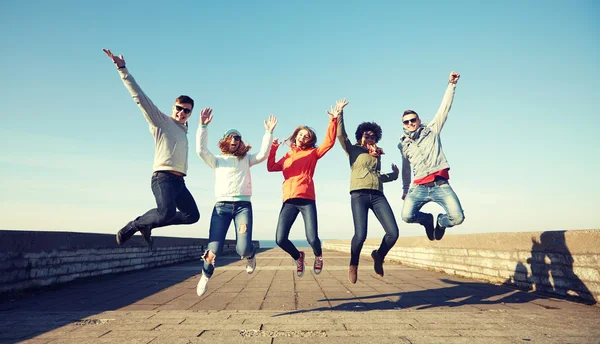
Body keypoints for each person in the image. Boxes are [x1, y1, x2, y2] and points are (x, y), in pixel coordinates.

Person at [103, 48, 201, 248]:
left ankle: (148, 225)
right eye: (179, 108)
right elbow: (140, 98)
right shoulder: (161, 121)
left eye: (186, 111)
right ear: (173, 107)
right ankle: (133, 226)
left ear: (190, 113)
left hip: (179, 182)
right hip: (162, 178)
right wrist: (123, 70)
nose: (182, 113)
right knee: (166, 212)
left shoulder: (183, 130)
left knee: (192, 216)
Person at [195, 109, 278, 296]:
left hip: (242, 207)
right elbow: (200, 150)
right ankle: (205, 275)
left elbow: (263, 154)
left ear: (240, 143)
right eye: (231, 137)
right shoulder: (217, 160)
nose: (234, 140)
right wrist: (203, 126)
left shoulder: (246, 160)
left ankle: (250, 256)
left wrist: (268, 133)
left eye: (238, 138)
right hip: (221, 208)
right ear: (225, 141)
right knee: (213, 249)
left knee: (242, 247)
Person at [266, 100, 342, 277]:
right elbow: (271, 167)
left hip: (307, 199)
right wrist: (274, 148)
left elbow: (329, 143)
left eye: (307, 136)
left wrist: (334, 120)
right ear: (295, 136)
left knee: (312, 238)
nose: (303, 137)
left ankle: (318, 255)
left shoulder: (313, 153)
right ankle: (298, 256)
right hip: (289, 201)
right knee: (280, 239)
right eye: (301, 134)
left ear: (310, 140)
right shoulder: (287, 156)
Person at [335, 98, 401, 284]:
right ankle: (353, 264)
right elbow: (341, 135)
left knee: (393, 233)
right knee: (360, 234)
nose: (369, 137)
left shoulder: (377, 154)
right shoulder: (353, 150)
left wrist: (393, 175)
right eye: (366, 134)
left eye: (373, 135)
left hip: (378, 195)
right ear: (360, 136)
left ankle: (379, 256)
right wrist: (340, 113)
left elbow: (376, 175)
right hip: (359, 194)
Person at [398, 71, 465, 242]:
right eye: (406, 122)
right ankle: (427, 220)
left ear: (419, 120)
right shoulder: (403, 144)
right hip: (419, 187)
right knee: (406, 216)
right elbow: (406, 168)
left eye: (413, 120)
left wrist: (451, 85)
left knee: (457, 218)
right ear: (403, 125)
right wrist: (405, 189)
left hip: (440, 185)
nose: (410, 123)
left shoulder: (432, 130)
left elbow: (444, 108)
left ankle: (441, 222)